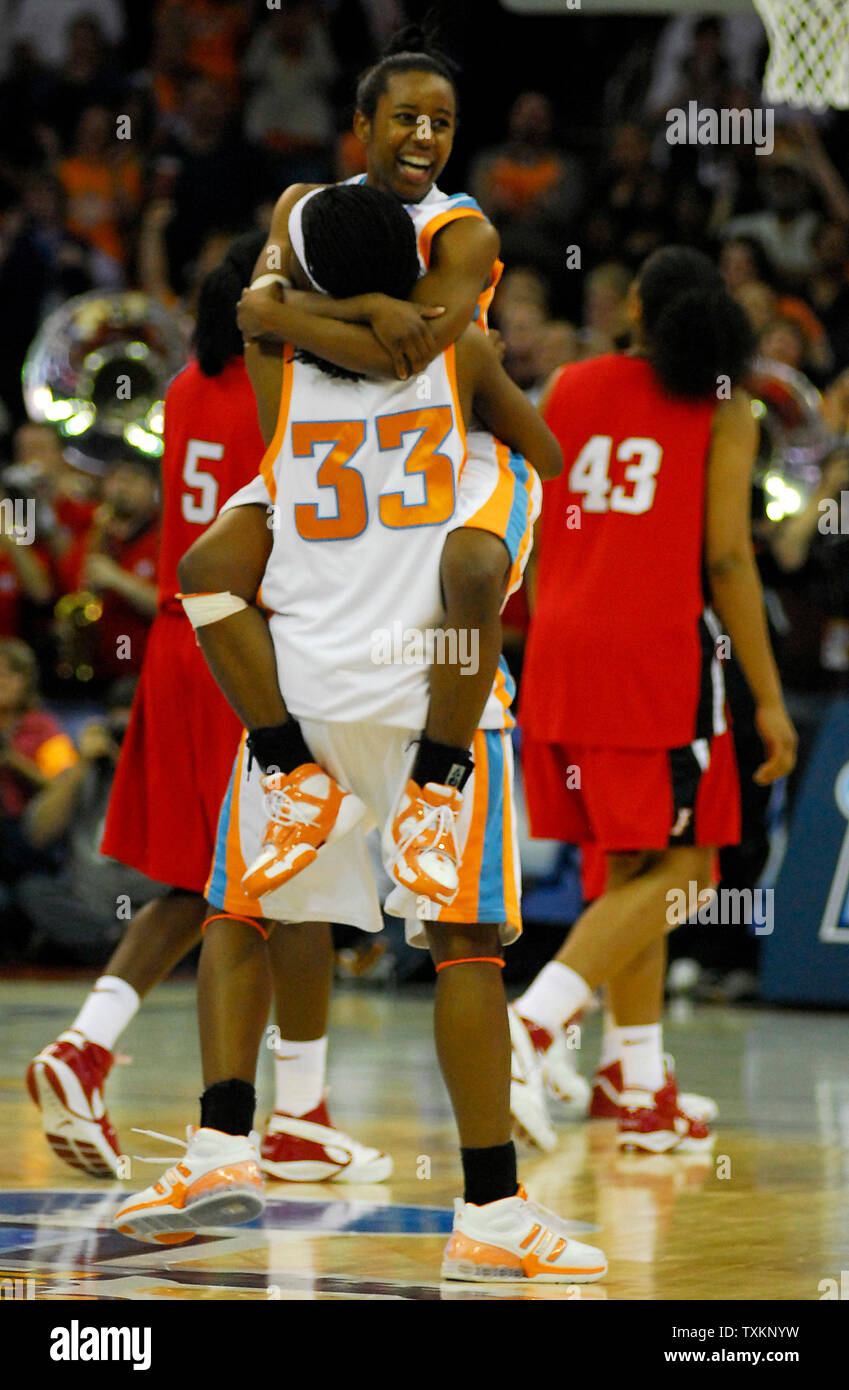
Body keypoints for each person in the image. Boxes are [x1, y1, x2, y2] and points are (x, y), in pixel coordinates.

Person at [115, 183, 608, 1287]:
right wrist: (490, 497)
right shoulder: (459, 354)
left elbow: (264, 287)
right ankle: (489, 1209)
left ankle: (218, 1147)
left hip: (306, 689)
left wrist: (294, 299)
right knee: (467, 948)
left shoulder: (273, 365)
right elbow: (549, 454)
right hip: (435, 692)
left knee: (242, 916)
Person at [27, 233, 390, 1186]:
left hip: (179, 647)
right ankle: (282, 1113)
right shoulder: (289, 393)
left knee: (206, 881)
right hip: (251, 650)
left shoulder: (188, 384)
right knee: (281, 883)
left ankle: (95, 1048)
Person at [229, 30, 546, 918]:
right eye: (405, 117)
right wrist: (368, 305)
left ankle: (439, 783)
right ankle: (289, 767)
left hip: (454, 438)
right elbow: (250, 312)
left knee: (472, 572)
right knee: (210, 570)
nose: (423, 136)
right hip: (333, 437)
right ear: (361, 125)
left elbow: (400, 360)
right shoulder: (301, 200)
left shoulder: (465, 228)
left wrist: (309, 314)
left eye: (441, 122)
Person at [511, 247, 797, 1153]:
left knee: (634, 872)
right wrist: (767, 698)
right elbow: (725, 557)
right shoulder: (725, 406)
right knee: (689, 872)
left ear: (634, 304)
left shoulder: (565, 385)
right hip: (651, 654)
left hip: (559, 645)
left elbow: (544, 523)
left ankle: (636, 1083)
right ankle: (533, 1023)